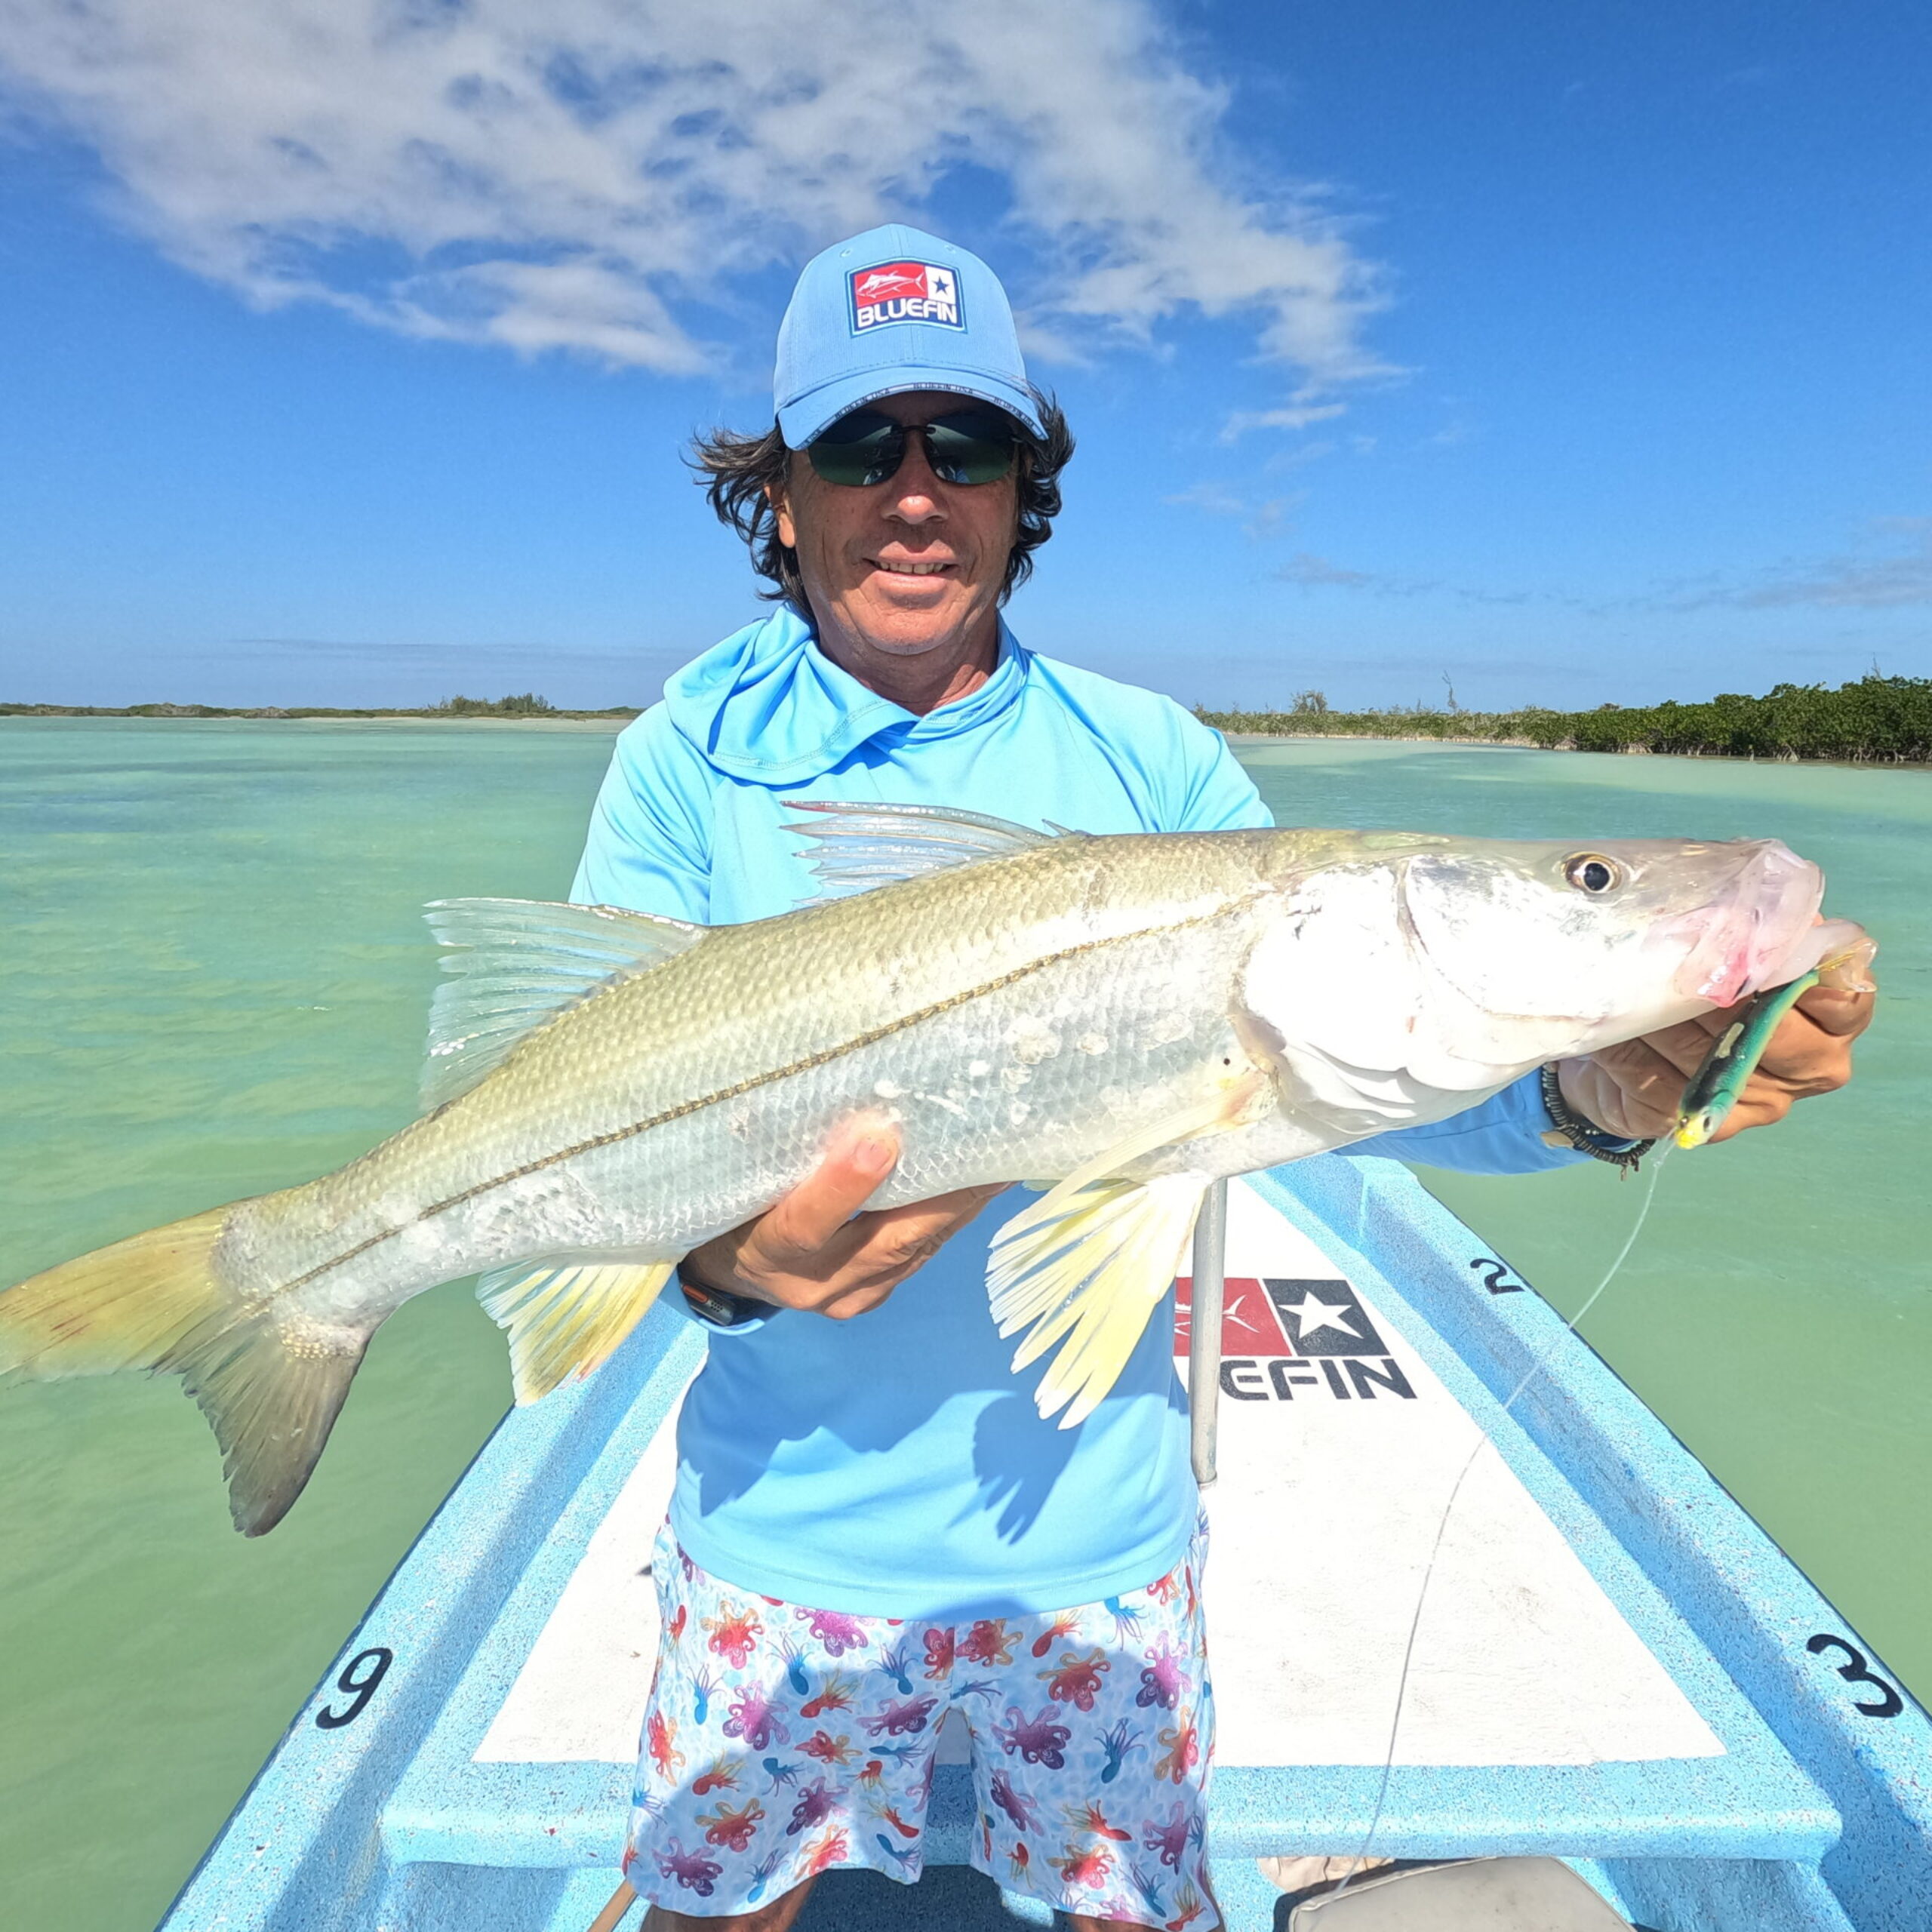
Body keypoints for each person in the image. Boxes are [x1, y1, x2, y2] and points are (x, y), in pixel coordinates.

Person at [572, 226, 1872, 1931]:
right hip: (778, 1535)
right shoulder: (683, 759)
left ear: (1020, 486)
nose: (911, 491)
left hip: (1096, 1544)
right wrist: (732, 1268)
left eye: (961, 445)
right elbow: (593, 1138)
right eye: (855, 444)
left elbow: (1358, 1081)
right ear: (783, 490)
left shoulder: (1154, 761)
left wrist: (1594, 1097)